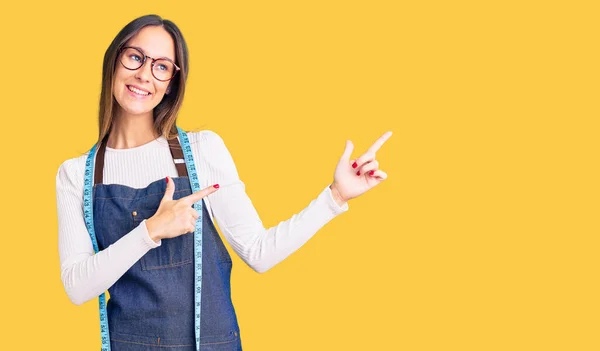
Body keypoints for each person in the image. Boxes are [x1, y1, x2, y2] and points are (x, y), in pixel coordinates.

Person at [56, 14, 392, 351]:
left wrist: (334, 198)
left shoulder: (202, 151)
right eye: (135, 57)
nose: (145, 74)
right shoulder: (76, 174)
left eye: (162, 66)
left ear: (172, 82)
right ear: (115, 59)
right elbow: (77, 287)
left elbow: (259, 253)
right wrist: (150, 231)